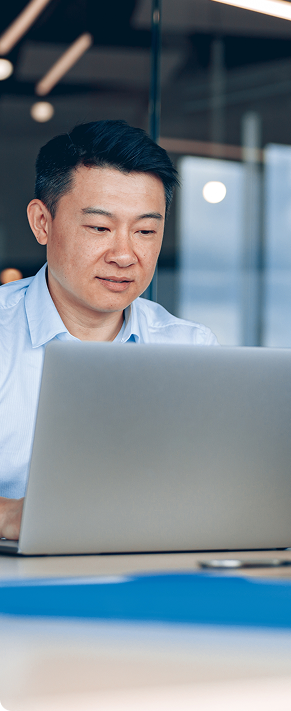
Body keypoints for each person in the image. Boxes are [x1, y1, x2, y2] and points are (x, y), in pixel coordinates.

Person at [0, 121, 217, 541]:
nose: (124, 255)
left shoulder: (191, 348)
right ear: (42, 222)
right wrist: (10, 517)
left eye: (146, 232)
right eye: (100, 228)